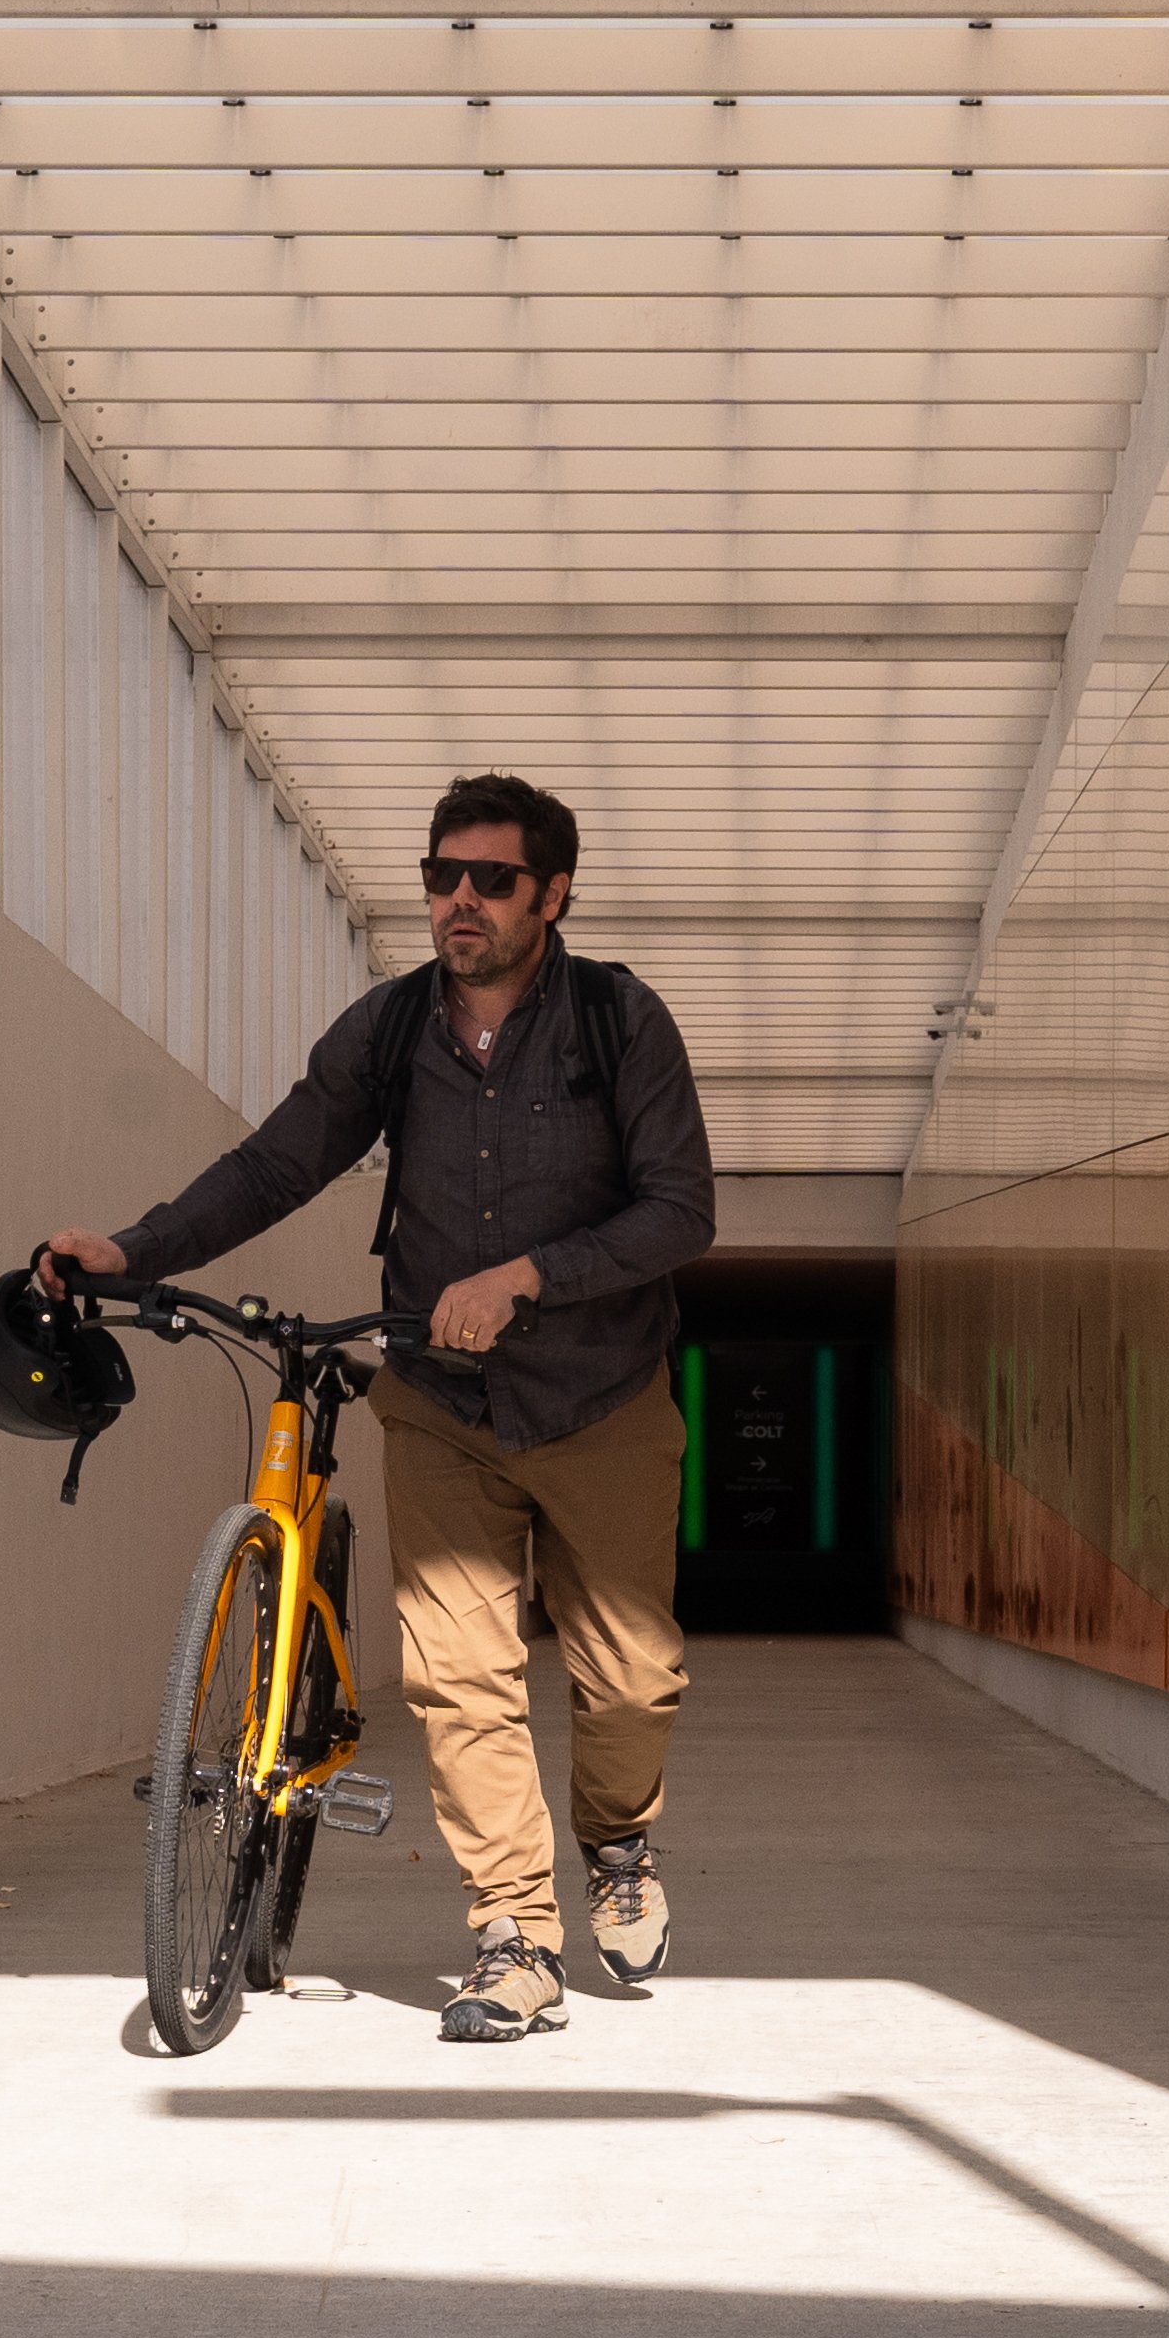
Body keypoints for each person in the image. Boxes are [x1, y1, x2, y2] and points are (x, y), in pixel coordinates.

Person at [44, 771, 716, 2044]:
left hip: (602, 1399)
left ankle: (617, 1843)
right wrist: (137, 1251)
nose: (459, 899)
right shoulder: (394, 1025)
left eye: (492, 879)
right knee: (459, 1676)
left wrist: (527, 1277)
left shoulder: (621, 1022)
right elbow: (277, 1160)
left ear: (551, 893)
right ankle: (513, 1937)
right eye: (440, 875)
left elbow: (682, 1209)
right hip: (440, 1400)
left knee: (630, 1681)